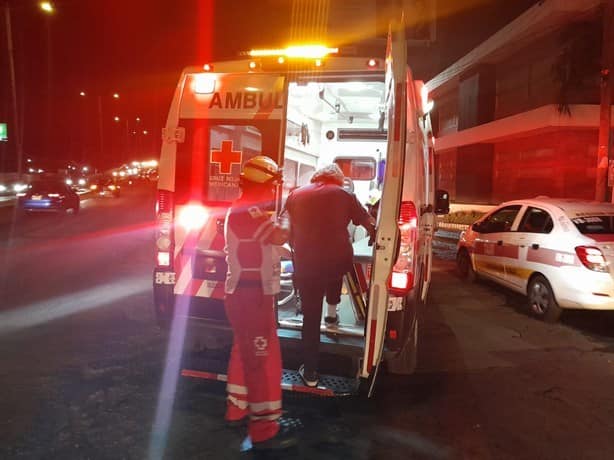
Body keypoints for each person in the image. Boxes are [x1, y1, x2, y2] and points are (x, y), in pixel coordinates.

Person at [223, 155, 297, 450]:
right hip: (251, 296)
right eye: (271, 185)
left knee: (244, 353)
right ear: (259, 185)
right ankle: (264, 429)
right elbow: (280, 234)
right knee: (262, 362)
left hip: (245, 295)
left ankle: (237, 409)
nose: (273, 191)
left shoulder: (246, 210)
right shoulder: (249, 212)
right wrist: (290, 211)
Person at [283, 164, 376, 387]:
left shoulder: (296, 194)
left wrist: (296, 247)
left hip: (307, 262)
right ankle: (332, 314)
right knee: (335, 274)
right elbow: (368, 222)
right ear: (338, 180)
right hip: (337, 258)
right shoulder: (345, 195)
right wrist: (375, 239)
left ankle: (311, 372)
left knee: (311, 316)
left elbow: (285, 228)